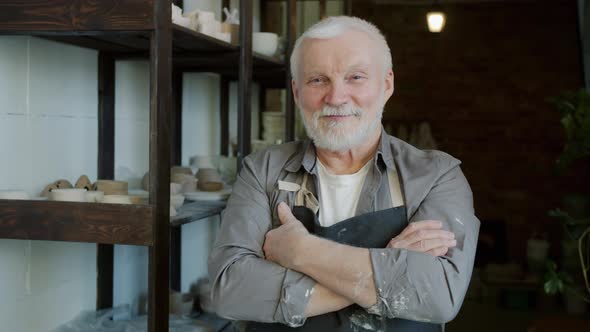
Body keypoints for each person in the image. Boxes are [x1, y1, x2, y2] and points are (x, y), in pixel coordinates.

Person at [208, 16, 480, 332]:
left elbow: (438, 295)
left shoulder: (436, 176)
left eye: (355, 77)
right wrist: (388, 265)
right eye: (318, 80)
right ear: (296, 92)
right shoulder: (262, 171)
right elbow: (229, 292)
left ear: (387, 84)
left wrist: (300, 251)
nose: (336, 97)